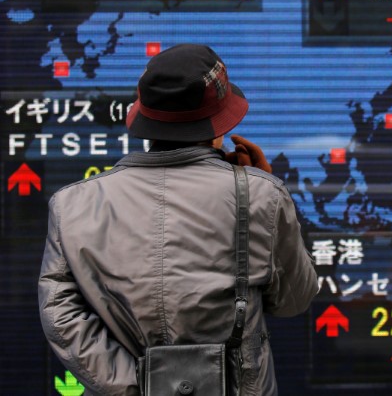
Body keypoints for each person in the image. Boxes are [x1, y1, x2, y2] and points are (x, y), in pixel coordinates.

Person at [38, 44, 318, 395]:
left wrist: (139, 386)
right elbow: (294, 299)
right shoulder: (262, 196)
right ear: (219, 120)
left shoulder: (71, 204)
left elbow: (61, 316)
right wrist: (262, 188)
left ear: (143, 115)